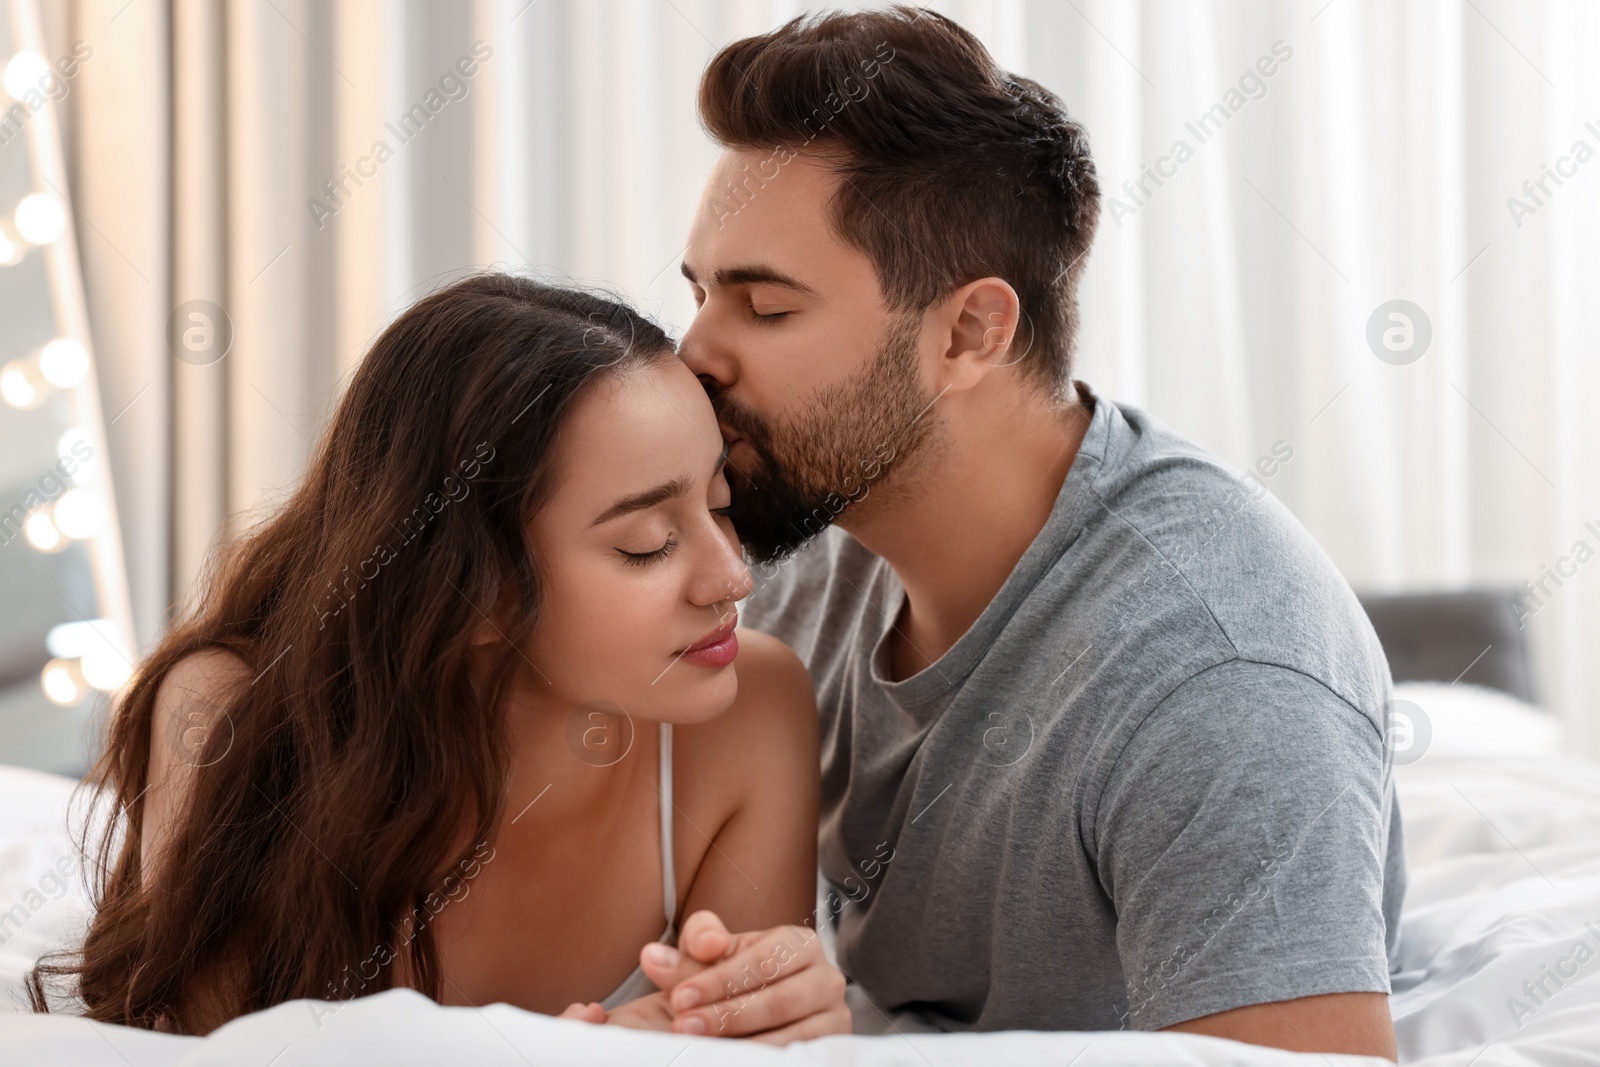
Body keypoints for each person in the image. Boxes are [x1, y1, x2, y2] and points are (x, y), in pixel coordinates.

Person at [633, 7, 1405, 1059]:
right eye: (700, 295)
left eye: (764, 308)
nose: (694, 353)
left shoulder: (1220, 673)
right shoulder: (793, 543)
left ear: (968, 332)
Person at [27, 274, 849, 1042]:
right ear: (475, 588)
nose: (733, 575)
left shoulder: (749, 703)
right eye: (649, 543)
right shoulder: (228, 715)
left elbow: (736, 1041)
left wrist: (773, 1013)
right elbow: (222, 1051)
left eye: (719, 502)